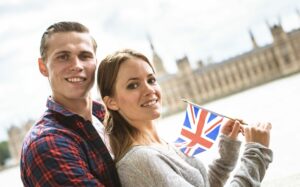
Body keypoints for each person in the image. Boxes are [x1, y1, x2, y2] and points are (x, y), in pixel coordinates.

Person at [97, 48, 273, 187]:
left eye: (151, 80)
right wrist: (256, 153)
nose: (149, 90)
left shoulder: (160, 145)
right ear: (112, 102)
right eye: (133, 85)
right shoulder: (139, 161)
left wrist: (228, 149)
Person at [20, 21, 121, 187]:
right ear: (43, 67)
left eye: (84, 56)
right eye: (63, 57)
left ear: (96, 62)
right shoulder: (46, 144)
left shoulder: (107, 115)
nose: (76, 66)